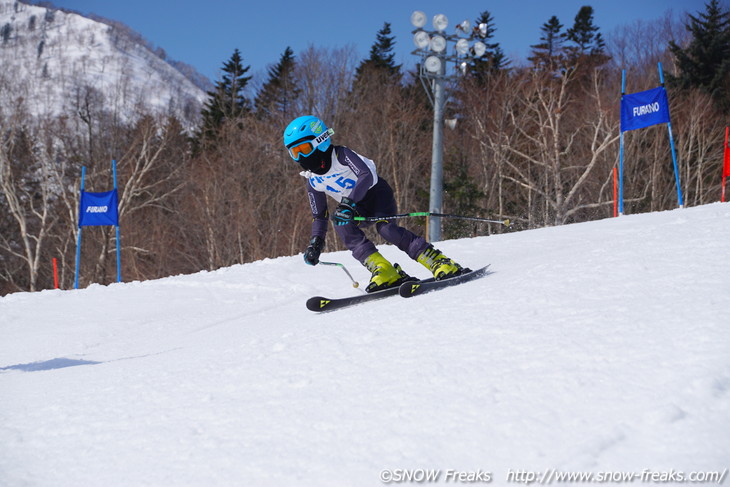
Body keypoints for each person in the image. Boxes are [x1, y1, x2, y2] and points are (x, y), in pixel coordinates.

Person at [283, 115, 465, 293]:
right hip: (355, 208)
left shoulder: (341, 156)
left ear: (320, 141)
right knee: (340, 222)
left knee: (387, 230)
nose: (301, 157)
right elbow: (319, 215)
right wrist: (316, 242)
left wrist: (347, 203)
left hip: (377, 197)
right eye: (295, 152)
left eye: (305, 149)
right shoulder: (313, 181)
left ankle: (438, 261)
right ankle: (384, 270)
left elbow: (366, 175)